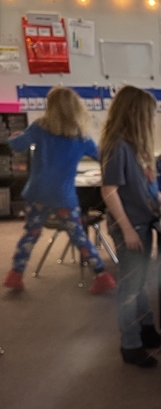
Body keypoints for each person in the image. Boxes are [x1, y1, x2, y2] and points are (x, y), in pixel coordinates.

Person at [4, 86, 116, 295]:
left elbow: (17, 146)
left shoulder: (39, 128)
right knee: (79, 237)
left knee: (30, 234)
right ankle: (102, 275)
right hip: (63, 197)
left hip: (37, 194)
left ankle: (16, 275)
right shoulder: (81, 136)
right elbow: (103, 157)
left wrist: (15, 136)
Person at [100, 85, 161, 369]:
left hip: (144, 223)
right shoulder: (118, 147)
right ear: (133, 114)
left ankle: (147, 331)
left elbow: (151, 190)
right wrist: (127, 229)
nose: (152, 121)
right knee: (130, 287)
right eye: (149, 115)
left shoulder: (138, 148)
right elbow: (109, 191)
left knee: (141, 282)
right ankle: (130, 344)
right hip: (130, 227)